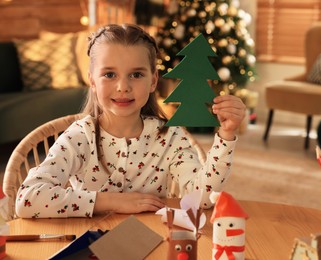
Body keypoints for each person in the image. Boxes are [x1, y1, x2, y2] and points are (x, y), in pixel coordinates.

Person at [15, 24, 246, 218]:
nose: (123, 87)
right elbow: (27, 200)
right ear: (92, 81)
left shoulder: (171, 138)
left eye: (136, 74)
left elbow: (202, 199)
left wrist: (226, 136)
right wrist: (112, 202)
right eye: (109, 74)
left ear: (153, 80)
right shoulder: (80, 136)